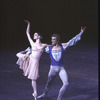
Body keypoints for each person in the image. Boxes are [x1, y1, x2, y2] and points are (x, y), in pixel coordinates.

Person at [37, 27, 86, 100]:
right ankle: (45, 94)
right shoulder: (49, 48)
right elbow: (37, 48)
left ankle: (58, 99)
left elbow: (72, 41)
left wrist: (81, 33)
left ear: (57, 40)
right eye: (51, 39)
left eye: (53, 39)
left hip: (61, 69)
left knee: (66, 83)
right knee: (49, 83)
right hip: (52, 69)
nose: (52, 40)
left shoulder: (63, 47)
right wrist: (27, 52)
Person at [16, 20, 47, 100]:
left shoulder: (44, 45)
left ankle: (35, 93)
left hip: (35, 62)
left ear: (39, 36)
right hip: (30, 58)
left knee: (33, 78)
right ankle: (26, 50)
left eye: (35, 35)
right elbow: (27, 33)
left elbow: (55, 44)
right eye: (34, 35)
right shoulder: (32, 43)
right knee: (18, 54)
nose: (34, 35)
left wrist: (67, 43)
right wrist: (29, 24)